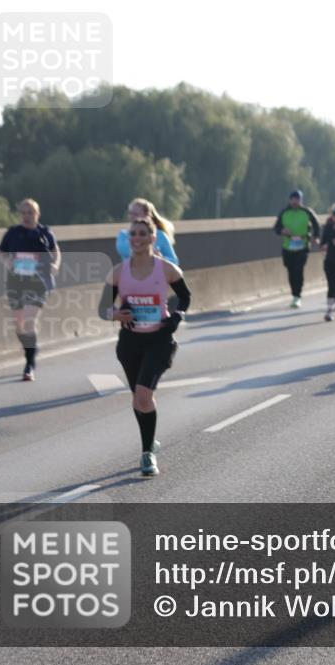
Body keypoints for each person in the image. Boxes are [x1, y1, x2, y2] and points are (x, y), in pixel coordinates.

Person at [99, 217, 191, 476]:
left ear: (153, 238)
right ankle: (149, 440)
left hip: (159, 340)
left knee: (143, 395)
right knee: (138, 399)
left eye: (142, 234)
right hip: (130, 343)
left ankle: (147, 454)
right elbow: (103, 309)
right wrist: (117, 314)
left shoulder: (167, 269)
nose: (137, 238)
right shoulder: (118, 272)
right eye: (133, 234)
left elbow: (185, 296)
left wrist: (177, 315)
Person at [0, 198, 60, 381]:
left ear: (37, 214)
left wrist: (55, 265)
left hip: (38, 283)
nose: (26, 216)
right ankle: (30, 349)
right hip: (16, 282)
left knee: (29, 321)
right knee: (19, 324)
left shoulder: (45, 233)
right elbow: (0, 252)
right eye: (23, 213)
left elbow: (56, 251)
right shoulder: (12, 233)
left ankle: (29, 364)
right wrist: (7, 262)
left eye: (30, 213)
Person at [273, 189, 320, 308]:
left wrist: (316, 237)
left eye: (297, 199)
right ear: (289, 200)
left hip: (302, 245)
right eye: (293, 199)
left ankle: (297, 295)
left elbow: (316, 224)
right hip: (288, 246)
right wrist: (282, 231)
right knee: (291, 271)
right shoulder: (284, 212)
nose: (295, 201)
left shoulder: (307, 212)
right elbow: (276, 228)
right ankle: (294, 294)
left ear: (301, 200)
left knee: (298, 270)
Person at [115, 198, 179, 266]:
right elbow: (125, 251)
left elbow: (174, 261)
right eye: (130, 213)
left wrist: (161, 258)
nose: (131, 217)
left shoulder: (161, 235)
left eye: (136, 214)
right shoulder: (123, 235)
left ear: (147, 216)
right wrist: (150, 253)